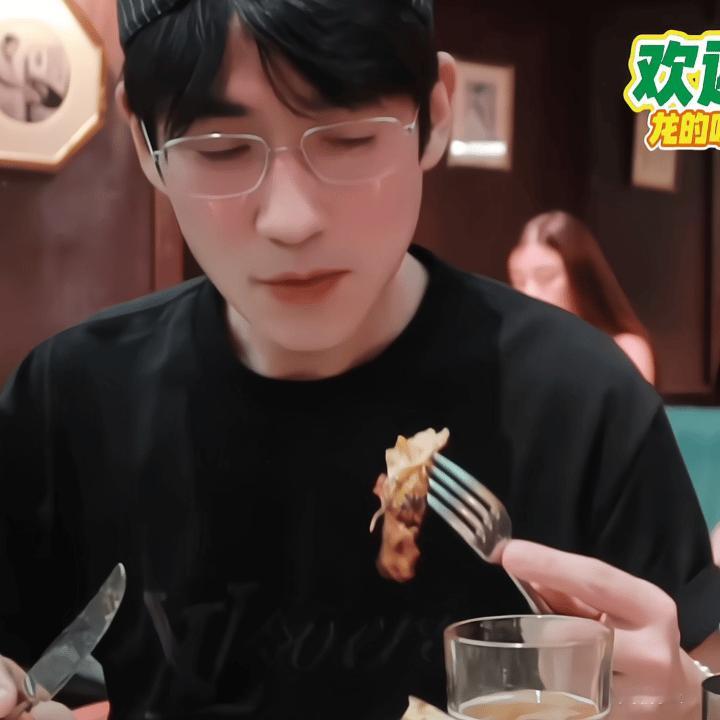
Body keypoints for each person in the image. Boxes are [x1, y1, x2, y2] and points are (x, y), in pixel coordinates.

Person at [0, 2, 718, 719]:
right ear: (143, 140)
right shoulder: (76, 396)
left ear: (435, 112)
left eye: (348, 139)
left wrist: (686, 700)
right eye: (220, 149)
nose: (291, 220)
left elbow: (695, 667)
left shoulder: (580, 397)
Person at [508, 210, 656, 384]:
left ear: (580, 277)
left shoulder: (625, 349)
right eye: (519, 281)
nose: (529, 293)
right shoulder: (519, 348)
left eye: (546, 277)